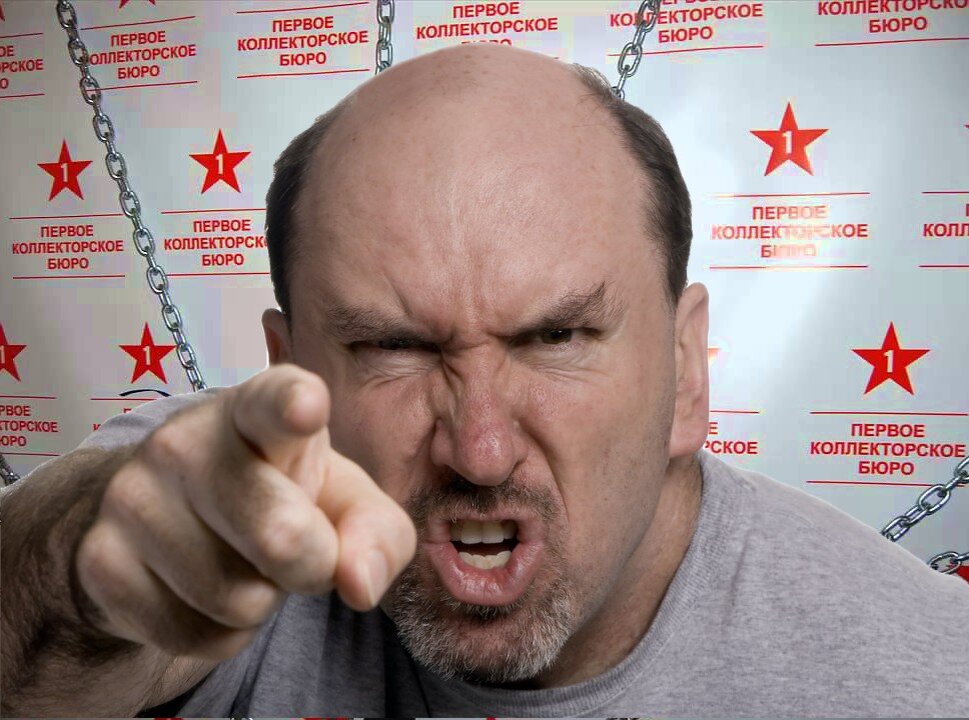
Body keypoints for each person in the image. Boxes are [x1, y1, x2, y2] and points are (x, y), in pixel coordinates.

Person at [2, 44, 967, 718]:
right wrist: (80, 586)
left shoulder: (924, 676)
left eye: (555, 337)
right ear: (294, 372)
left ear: (685, 372)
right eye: (393, 348)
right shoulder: (215, 495)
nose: (480, 449)